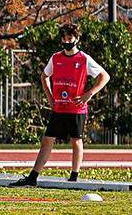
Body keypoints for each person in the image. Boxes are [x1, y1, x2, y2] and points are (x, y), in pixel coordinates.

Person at [10, 23, 110, 187]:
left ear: (76, 39)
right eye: (64, 38)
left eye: (69, 38)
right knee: (47, 140)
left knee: (76, 140)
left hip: (76, 108)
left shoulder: (84, 59)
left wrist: (89, 94)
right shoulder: (56, 58)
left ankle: (74, 176)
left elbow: (104, 76)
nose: (66, 41)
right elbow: (45, 76)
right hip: (59, 108)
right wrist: (50, 97)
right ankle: (33, 176)